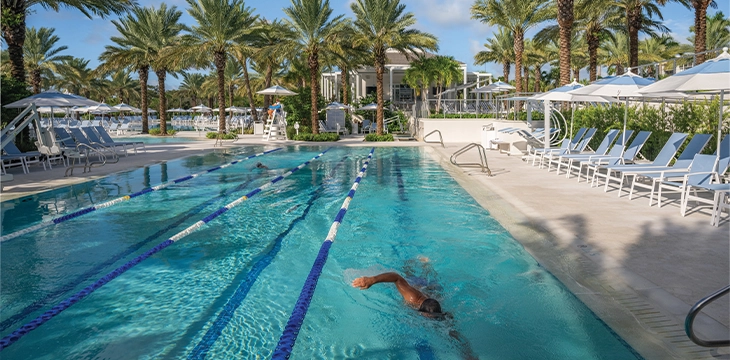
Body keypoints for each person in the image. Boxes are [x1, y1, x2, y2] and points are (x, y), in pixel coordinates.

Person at [352, 272, 443, 316]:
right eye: (428, 316)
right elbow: (396, 278)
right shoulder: (412, 298)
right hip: (414, 283)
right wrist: (372, 280)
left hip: (428, 289)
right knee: (408, 272)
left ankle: (426, 266)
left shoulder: (435, 307)